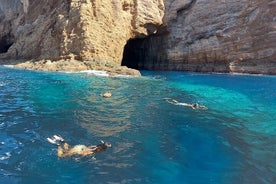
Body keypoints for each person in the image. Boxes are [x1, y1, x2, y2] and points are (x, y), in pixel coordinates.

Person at [46, 135, 112, 158]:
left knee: (67, 148)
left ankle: (62, 140)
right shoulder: (97, 151)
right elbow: (85, 153)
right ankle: (57, 144)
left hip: (81, 146)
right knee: (61, 156)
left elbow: (90, 148)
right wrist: (80, 158)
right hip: (79, 150)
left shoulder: (97, 146)